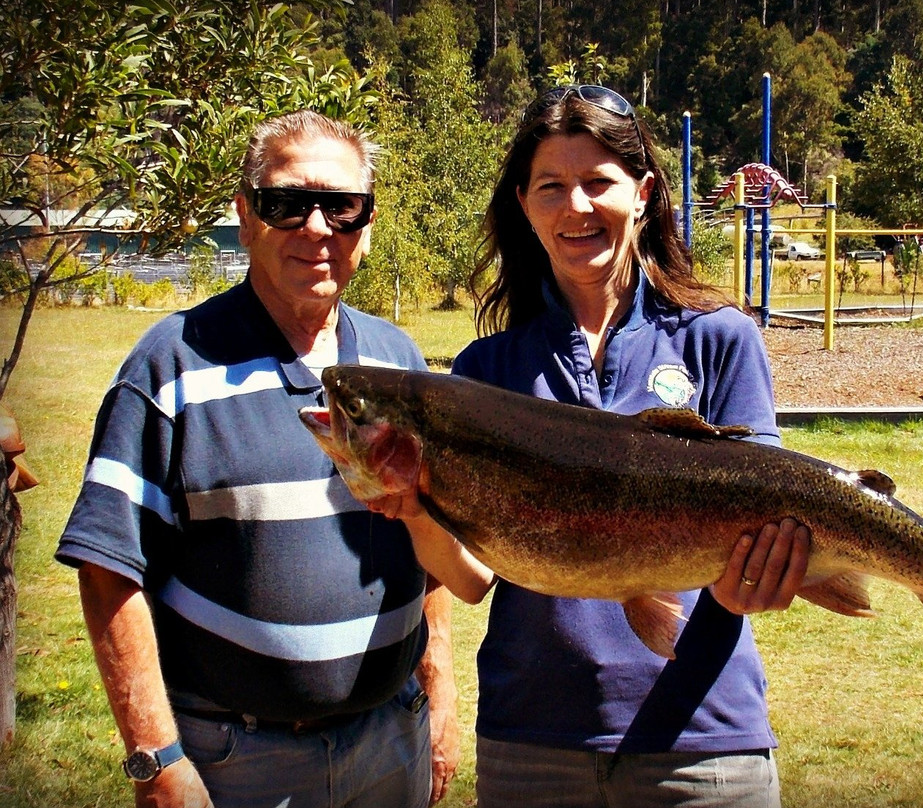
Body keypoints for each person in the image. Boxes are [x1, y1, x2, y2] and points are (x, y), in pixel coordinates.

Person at [56, 110, 465, 808]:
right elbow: (107, 569)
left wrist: (439, 684)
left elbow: (424, 536)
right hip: (236, 762)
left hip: (388, 740)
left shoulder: (397, 362)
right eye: (286, 203)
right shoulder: (171, 365)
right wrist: (156, 757)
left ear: (365, 227)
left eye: (341, 207)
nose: (316, 228)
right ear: (245, 217)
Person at [450, 85, 812, 807]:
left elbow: (773, 511)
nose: (576, 207)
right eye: (551, 186)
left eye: (598, 183)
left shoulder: (719, 339)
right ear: (524, 204)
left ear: (643, 193)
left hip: (705, 740)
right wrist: (408, 504)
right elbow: (468, 578)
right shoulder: (483, 375)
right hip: (531, 744)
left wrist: (762, 576)